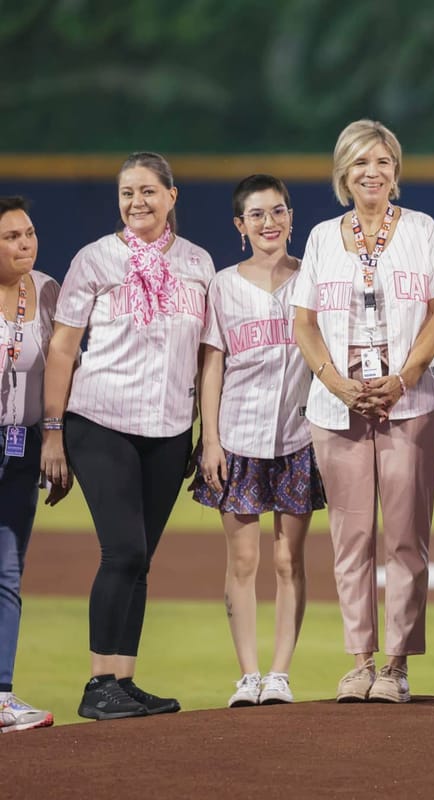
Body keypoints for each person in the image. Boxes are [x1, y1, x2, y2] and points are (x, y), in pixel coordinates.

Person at [41, 152, 215, 720]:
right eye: (126, 193)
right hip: (100, 419)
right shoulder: (96, 259)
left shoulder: (197, 263)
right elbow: (64, 348)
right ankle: (97, 687)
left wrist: (202, 432)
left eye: (147, 191)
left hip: (167, 428)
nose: (137, 202)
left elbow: (205, 355)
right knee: (124, 550)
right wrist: (52, 432)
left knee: (142, 560)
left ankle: (123, 678)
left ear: (172, 196)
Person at [293, 119, 434, 704]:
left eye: (383, 162)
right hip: (337, 406)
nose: (372, 172)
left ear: (396, 171)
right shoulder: (318, 237)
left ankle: (396, 665)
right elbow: (304, 323)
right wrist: (337, 384)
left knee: (406, 537)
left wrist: (405, 376)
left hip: (410, 401)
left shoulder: (421, 229)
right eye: (361, 162)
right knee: (351, 536)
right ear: (343, 172)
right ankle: (359, 662)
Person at [192, 175, 325, 708]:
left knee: (290, 559)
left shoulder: (312, 280)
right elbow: (212, 366)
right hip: (240, 438)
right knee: (243, 561)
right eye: (256, 215)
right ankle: (248, 675)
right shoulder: (223, 286)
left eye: (277, 211)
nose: (268, 223)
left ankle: (280, 674)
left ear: (291, 217)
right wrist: (211, 441)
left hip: (298, 435)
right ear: (240, 226)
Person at [0, 197, 66, 733]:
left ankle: (0, 696)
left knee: (6, 573)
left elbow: (61, 369)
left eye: (29, 232)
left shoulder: (46, 290)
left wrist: (54, 438)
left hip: (19, 448)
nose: (25, 243)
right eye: (11, 236)